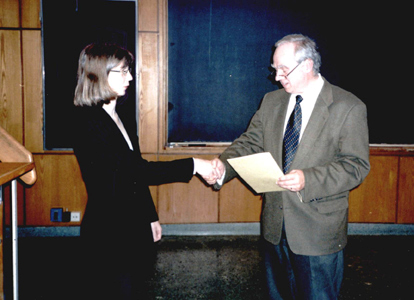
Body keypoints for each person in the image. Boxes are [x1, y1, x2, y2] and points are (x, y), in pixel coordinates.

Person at [210, 34, 370, 299]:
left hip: (318, 231)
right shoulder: (272, 101)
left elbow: (356, 166)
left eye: (284, 69)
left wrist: (308, 178)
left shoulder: (348, 107)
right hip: (275, 227)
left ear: (307, 65)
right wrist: (223, 167)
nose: (276, 77)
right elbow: (250, 142)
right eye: (275, 69)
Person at [71, 43, 219, 299]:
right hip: (108, 232)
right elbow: (138, 171)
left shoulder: (122, 115)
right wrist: (195, 165)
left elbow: (134, 174)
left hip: (132, 224)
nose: (130, 77)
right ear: (97, 75)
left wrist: (150, 215)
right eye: (122, 71)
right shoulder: (88, 122)